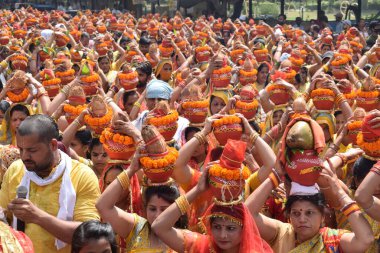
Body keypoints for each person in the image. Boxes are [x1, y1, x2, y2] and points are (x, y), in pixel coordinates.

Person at [0, 114, 100, 253]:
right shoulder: (16, 170)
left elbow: (89, 235)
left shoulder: (82, 175)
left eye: (32, 150)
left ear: (53, 145)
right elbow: (3, 218)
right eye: (21, 149)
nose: (24, 157)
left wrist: (37, 216)